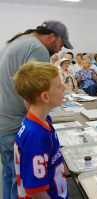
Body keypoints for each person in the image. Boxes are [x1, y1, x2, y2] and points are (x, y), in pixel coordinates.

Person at [0, 20, 72, 199]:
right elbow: (39, 89)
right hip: (13, 122)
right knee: (21, 183)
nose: (58, 49)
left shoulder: (18, 41)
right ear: (51, 37)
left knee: (11, 177)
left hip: (5, 121)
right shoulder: (37, 48)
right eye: (60, 44)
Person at [13, 61, 68, 199]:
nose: (65, 87)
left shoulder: (42, 119)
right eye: (60, 85)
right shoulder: (35, 135)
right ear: (45, 97)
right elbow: (35, 190)